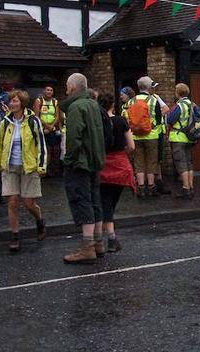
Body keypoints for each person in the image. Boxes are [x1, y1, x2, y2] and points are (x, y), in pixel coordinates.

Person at [0, 90, 47, 252]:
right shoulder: (5, 122)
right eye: (11, 101)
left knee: (29, 203)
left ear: (22, 103)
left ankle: (40, 220)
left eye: (15, 101)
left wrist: (41, 165)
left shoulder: (33, 121)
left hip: (29, 167)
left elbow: (41, 144)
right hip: (10, 167)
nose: (12, 104)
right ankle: (15, 236)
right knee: (12, 202)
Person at [61, 73, 107, 264]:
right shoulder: (93, 104)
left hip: (80, 162)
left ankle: (87, 248)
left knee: (82, 201)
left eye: (67, 86)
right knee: (95, 201)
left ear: (72, 87)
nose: (66, 90)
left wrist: (68, 160)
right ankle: (98, 243)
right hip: (94, 160)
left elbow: (74, 138)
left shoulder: (75, 107)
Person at [98, 93, 135, 253]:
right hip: (120, 166)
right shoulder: (121, 121)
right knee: (110, 203)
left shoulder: (98, 122)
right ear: (113, 105)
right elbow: (131, 146)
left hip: (103, 165)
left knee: (105, 202)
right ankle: (107, 237)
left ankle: (110, 238)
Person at [125, 76, 170, 198]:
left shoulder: (131, 101)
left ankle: (141, 188)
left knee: (138, 162)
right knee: (152, 161)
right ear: (149, 87)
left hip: (136, 135)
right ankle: (151, 187)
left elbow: (127, 117)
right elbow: (158, 118)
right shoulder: (153, 100)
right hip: (151, 135)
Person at [166, 83, 196, 199]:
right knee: (189, 162)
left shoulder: (180, 105)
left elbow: (170, 120)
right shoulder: (192, 104)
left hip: (178, 137)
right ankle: (191, 186)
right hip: (189, 137)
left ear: (178, 93)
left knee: (181, 162)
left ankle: (185, 188)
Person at [33, 85, 62, 178]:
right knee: (45, 150)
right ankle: (43, 171)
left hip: (52, 129)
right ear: (44, 91)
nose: (49, 92)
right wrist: (46, 126)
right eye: (47, 90)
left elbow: (57, 116)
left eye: (51, 90)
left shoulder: (55, 102)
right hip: (43, 130)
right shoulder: (39, 101)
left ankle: (53, 170)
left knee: (55, 150)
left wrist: (51, 126)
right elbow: (37, 116)